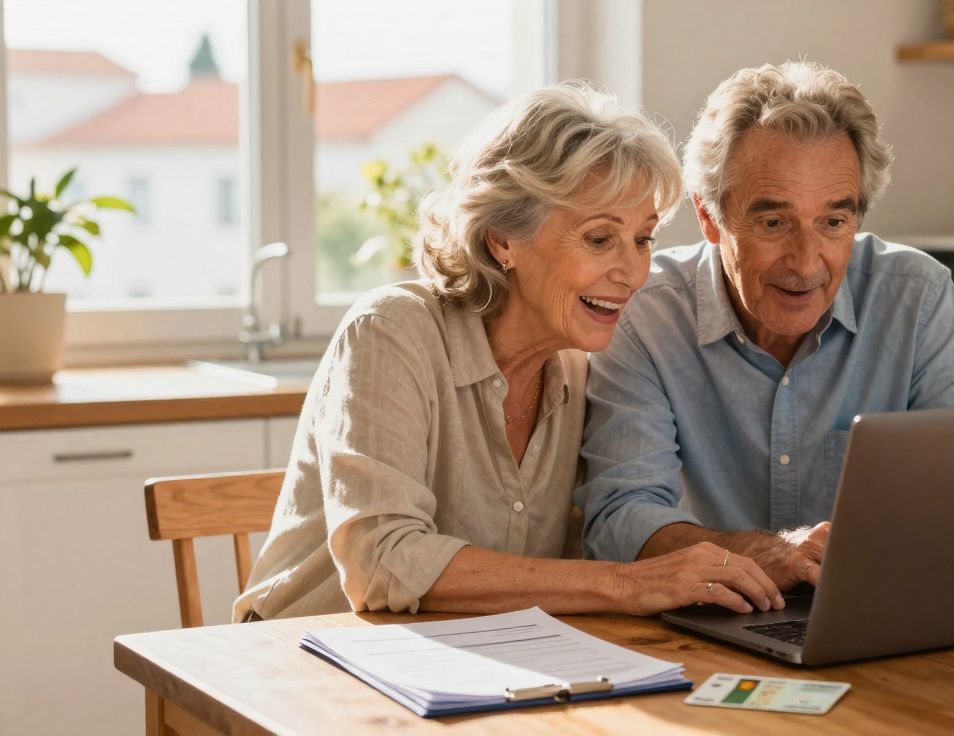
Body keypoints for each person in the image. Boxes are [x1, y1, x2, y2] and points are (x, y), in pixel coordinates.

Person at [234, 82, 785, 622]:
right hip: (301, 668)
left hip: (465, 670)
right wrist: (628, 584)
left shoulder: (576, 362)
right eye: (599, 239)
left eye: (643, 239)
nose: (633, 272)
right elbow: (383, 560)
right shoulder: (392, 331)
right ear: (502, 239)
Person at [577, 62, 954, 590]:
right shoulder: (644, 313)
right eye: (773, 222)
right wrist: (769, 556)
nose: (805, 263)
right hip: (703, 616)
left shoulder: (917, 297)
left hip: (879, 609)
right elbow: (621, 515)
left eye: (833, 222)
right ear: (708, 215)